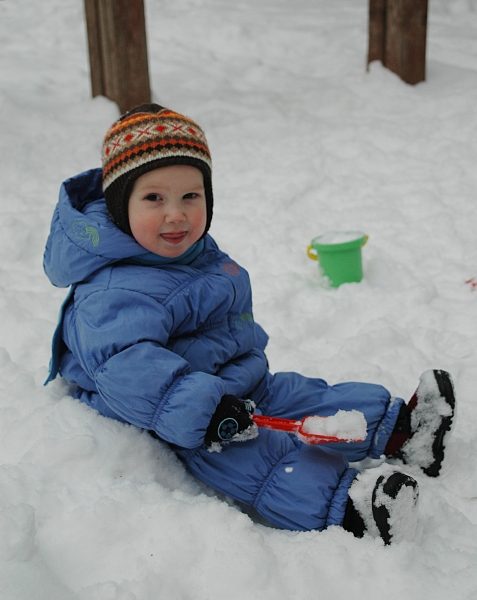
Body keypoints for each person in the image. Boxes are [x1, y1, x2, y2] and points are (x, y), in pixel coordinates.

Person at [43, 104, 455, 545]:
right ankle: (351, 507)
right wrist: (203, 409)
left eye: (190, 196)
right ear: (120, 204)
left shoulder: (185, 252)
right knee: (260, 461)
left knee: (308, 397)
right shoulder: (111, 291)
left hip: (236, 385)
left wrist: (240, 380)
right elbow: (126, 368)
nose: (176, 215)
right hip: (177, 417)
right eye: (153, 198)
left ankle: (404, 433)